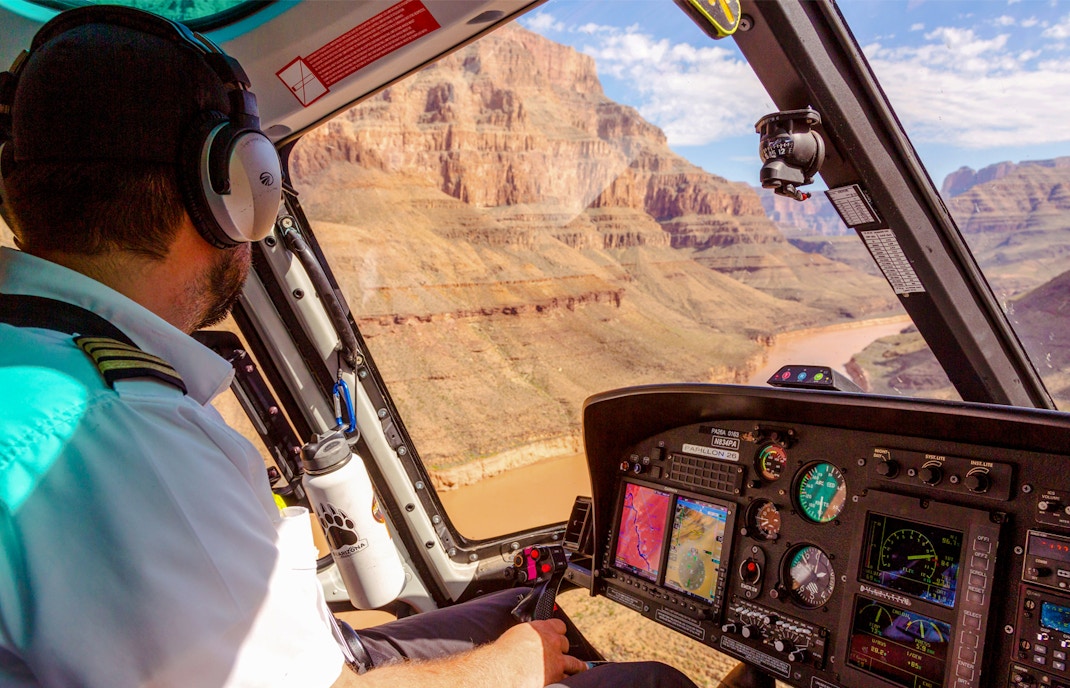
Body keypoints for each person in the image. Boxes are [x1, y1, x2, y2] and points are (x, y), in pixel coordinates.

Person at [0, 7, 699, 688]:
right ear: (237, 186)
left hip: (325, 651)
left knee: (523, 611)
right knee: (650, 679)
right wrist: (515, 666)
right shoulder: (120, 438)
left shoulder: (45, 361)